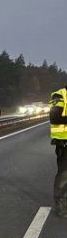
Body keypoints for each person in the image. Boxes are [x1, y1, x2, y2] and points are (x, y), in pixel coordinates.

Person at [49, 87, 67, 218]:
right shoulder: (60, 95)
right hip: (65, 142)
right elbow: (54, 117)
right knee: (64, 175)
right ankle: (61, 205)